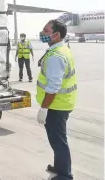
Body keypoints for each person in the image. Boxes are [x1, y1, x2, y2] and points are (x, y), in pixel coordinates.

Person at [36, 19, 76, 180]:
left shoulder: (56, 56)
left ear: (56, 35)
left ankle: (65, 175)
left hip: (56, 106)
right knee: (57, 140)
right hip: (62, 103)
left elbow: (53, 86)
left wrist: (44, 109)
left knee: (58, 141)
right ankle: (60, 167)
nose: (42, 34)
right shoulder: (62, 50)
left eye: (46, 31)